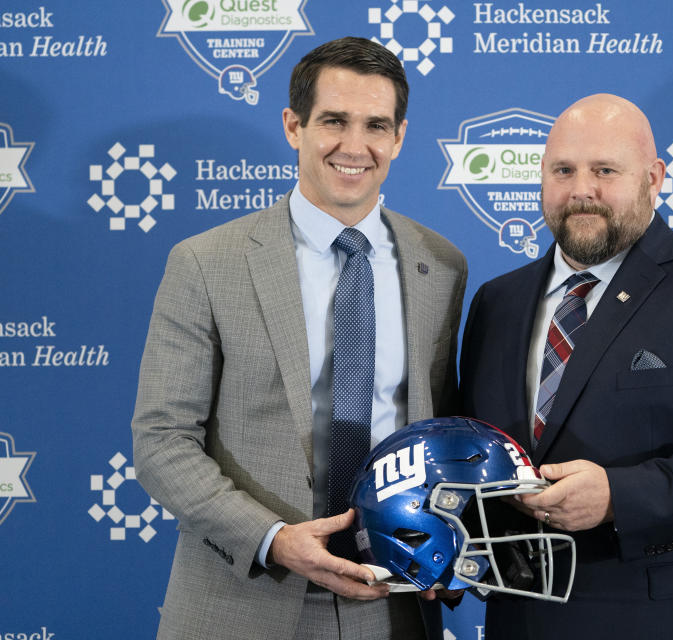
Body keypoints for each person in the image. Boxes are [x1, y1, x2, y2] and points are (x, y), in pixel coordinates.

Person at [132, 37, 467, 640]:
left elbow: (442, 427)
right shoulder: (207, 262)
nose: (354, 145)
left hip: (391, 602)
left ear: (399, 137)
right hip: (244, 594)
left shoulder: (440, 265)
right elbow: (161, 442)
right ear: (294, 125)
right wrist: (275, 540)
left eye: (376, 125)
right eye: (333, 121)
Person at [459, 93, 673, 639]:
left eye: (605, 170)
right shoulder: (495, 302)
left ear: (654, 178)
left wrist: (618, 497)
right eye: (563, 170)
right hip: (525, 621)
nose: (582, 190)